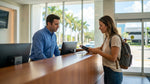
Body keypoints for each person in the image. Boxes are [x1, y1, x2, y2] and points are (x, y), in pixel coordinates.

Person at [81, 15, 123, 84]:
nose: (99, 28)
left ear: (107, 25)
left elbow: (113, 58)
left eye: (101, 25)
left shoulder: (115, 38)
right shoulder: (107, 37)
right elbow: (101, 48)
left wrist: (98, 52)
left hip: (114, 72)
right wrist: (90, 49)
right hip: (107, 70)